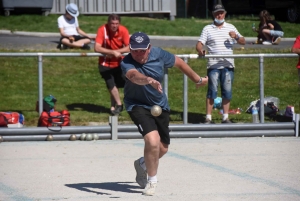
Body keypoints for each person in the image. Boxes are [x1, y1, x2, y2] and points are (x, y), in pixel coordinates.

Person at [120, 32, 208, 196]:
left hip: (159, 105)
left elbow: (180, 63)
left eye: (142, 50)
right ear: (130, 49)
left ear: (149, 48)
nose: (138, 54)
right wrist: (148, 80)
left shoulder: (159, 54)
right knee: (152, 141)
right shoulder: (126, 62)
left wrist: (198, 80)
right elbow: (133, 76)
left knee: (163, 148)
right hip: (137, 105)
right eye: (134, 50)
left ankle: (142, 164)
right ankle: (152, 181)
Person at [196, 4, 245, 124]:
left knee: (227, 91)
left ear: (225, 13)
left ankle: (225, 117)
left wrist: (236, 37)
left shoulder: (231, 27)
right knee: (212, 91)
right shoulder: (207, 28)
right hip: (213, 65)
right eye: (217, 13)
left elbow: (243, 42)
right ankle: (208, 118)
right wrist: (200, 50)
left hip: (228, 65)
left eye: (221, 13)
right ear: (213, 14)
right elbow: (199, 44)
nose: (219, 15)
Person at [94, 14, 130, 115]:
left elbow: (128, 47)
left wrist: (117, 52)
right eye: (112, 24)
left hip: (119, 63)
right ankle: (119, 105)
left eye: (116, 24)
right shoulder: (102, 30)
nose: (114, 26)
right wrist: (111, 52)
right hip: (105, 63)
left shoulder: (123, 30)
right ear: (108, 23)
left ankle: (113, 107)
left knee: (119, 84)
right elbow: (97, 47)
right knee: (111, 84)